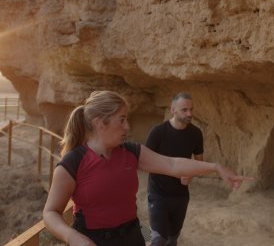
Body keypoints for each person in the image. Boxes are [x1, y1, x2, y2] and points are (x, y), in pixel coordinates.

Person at [43, 91, 251, 246]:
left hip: (133, 235)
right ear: (100, 123)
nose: (127, 127)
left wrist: (216, 167)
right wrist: (72, 237)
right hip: (92, 240)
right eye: (122, 119)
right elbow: (51, 212)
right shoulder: (73, 162)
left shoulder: (131, 152)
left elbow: (173, 164)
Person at [145, 92, 203, 246]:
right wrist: (172, 170)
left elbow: (199, 163)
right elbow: (145, 161)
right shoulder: (157, 132)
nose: (189, 114)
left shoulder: (196, 134)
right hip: (158, 193)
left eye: (191, 109)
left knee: (172, 240)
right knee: (158, 240)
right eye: (184, 110)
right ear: (172, 110)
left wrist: (191, 175)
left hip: (180, 195)